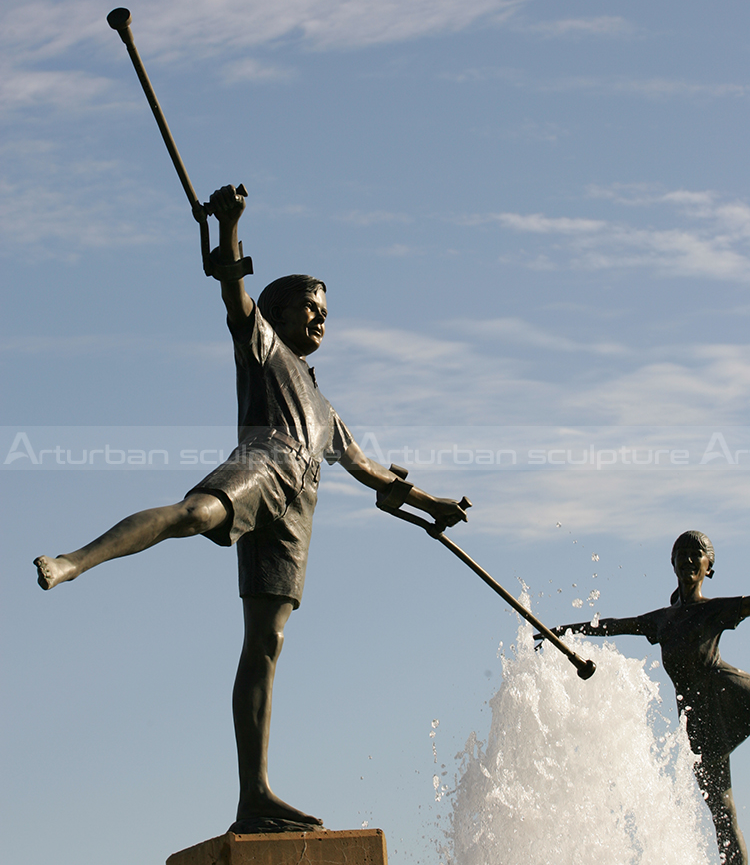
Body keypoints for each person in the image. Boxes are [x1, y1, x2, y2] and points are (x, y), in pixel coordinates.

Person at [34, 184, 468, 833]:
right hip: (261, 465)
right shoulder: (261, 346)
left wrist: (434, 503)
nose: (321, 319)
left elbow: (370, 472)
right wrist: (232, 227)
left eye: (325, 311)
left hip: (299, 510)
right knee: (196, 515)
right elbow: (234, 294)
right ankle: (76, 560)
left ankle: (253, 796)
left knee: (266, 643)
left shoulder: (325, 409)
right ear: (279, 314)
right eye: (309, 309)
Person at [540, 531, 750, 865]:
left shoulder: (715, 611)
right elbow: (612, 625)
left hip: (731, 694)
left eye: (697, 554)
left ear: (709, 566)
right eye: (681, 553)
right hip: (698, 718)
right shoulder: (662, 620)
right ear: (673, 563)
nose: (689, 559)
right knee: (723, 812)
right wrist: (562, 631)